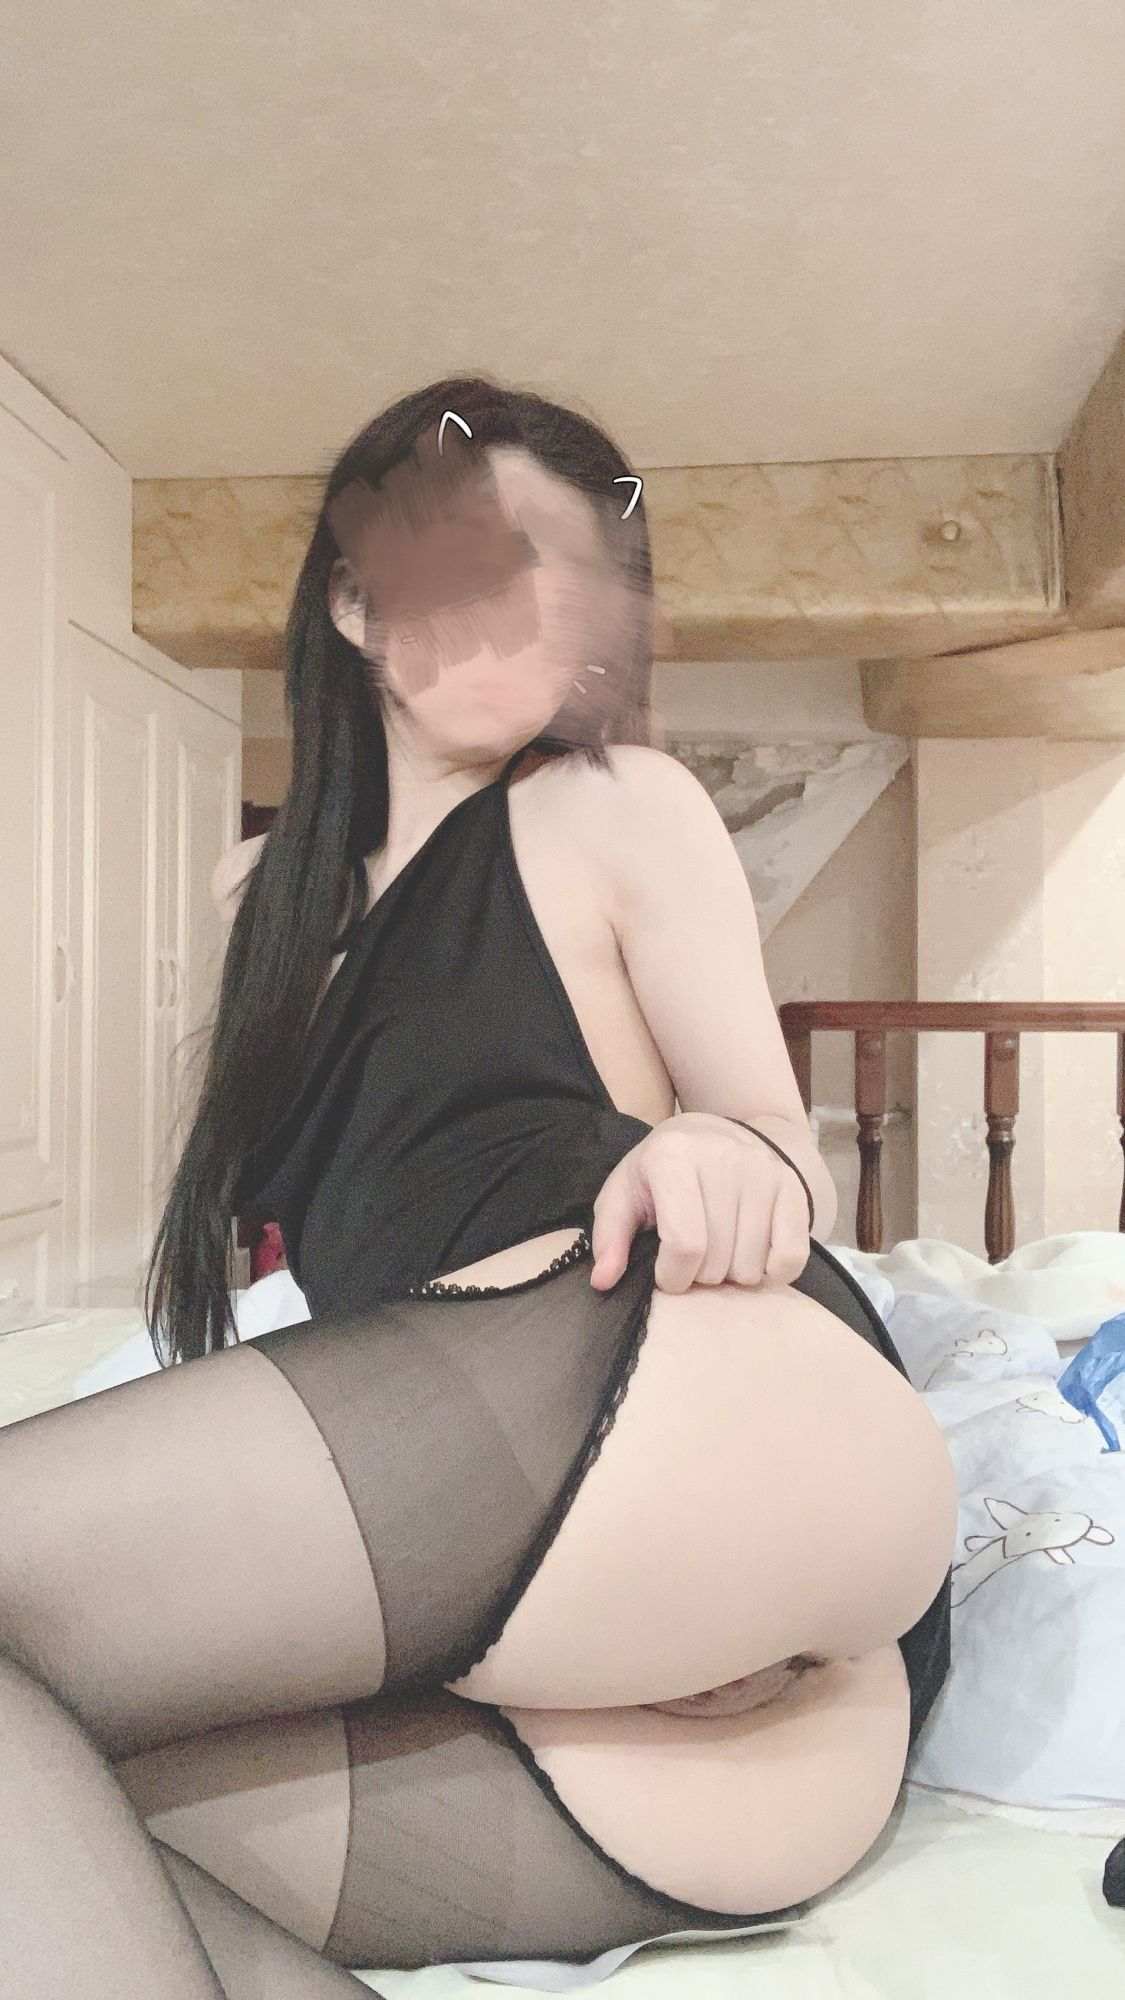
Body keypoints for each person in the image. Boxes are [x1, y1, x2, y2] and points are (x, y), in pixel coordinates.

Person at [0, 376, 957, 1996]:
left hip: (666, 1394)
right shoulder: (257, 899)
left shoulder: (608, 805)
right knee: (69, 1826)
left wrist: (718, 1147)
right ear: (355, 603)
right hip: (644, 1729)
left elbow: (772, 1136)